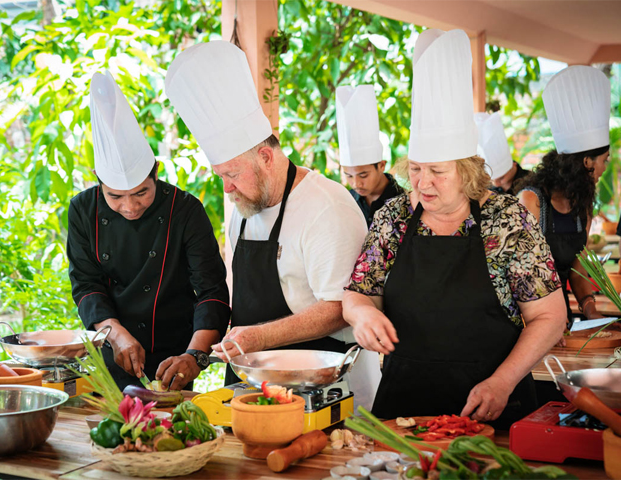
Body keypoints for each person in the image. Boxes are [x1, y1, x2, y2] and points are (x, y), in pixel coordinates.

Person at [342, 29, 566, 426]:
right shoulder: (392, 219)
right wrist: (361, 316)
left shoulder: (508, 220)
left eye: (437, 172)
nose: (422, 183)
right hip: (402, 415)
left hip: (494, 407)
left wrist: (503, 380)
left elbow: (550, 317)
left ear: (466, 172)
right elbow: (357, 295)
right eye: (414, 169)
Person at [165, 41, 377, 408]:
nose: (226, 187)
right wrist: (197, 354)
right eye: (220, 176)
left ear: (265, 156)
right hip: (253, 382)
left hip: (323, 386)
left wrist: (258, 339)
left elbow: (339, 306)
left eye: (232, 174)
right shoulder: (245, 207)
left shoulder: (326, 207)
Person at [67, 71, 230, 391]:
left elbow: (211, 292)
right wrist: (115, 334)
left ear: (155, 175)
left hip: (176, 357)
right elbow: (87, 286)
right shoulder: (83, 210)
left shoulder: (185, 210)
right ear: (99, 184)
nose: (129, 206)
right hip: (111, 350)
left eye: (142, 193)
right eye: (115, 197)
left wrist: (195, 357)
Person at [518, 66, 611, 327]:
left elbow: (577, 270)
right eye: (604, 160)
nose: (604, 169)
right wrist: (543, 324)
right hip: (530, 321)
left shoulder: (583, 207)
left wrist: (591, 311)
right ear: (586, 162)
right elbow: (522, 275)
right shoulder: (531, 201)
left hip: (562, 321)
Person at [336, 84, 404, 226]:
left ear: (381, 165)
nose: (356, 184)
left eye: (363, 175)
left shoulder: (403, 201)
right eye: (348, 175)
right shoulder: (345, 201)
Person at [474, 111, 530, 196]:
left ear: (513, 164)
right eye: (491, 180)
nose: (496, 184)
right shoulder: (487, 189)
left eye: (501, 178)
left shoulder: (530, 182)